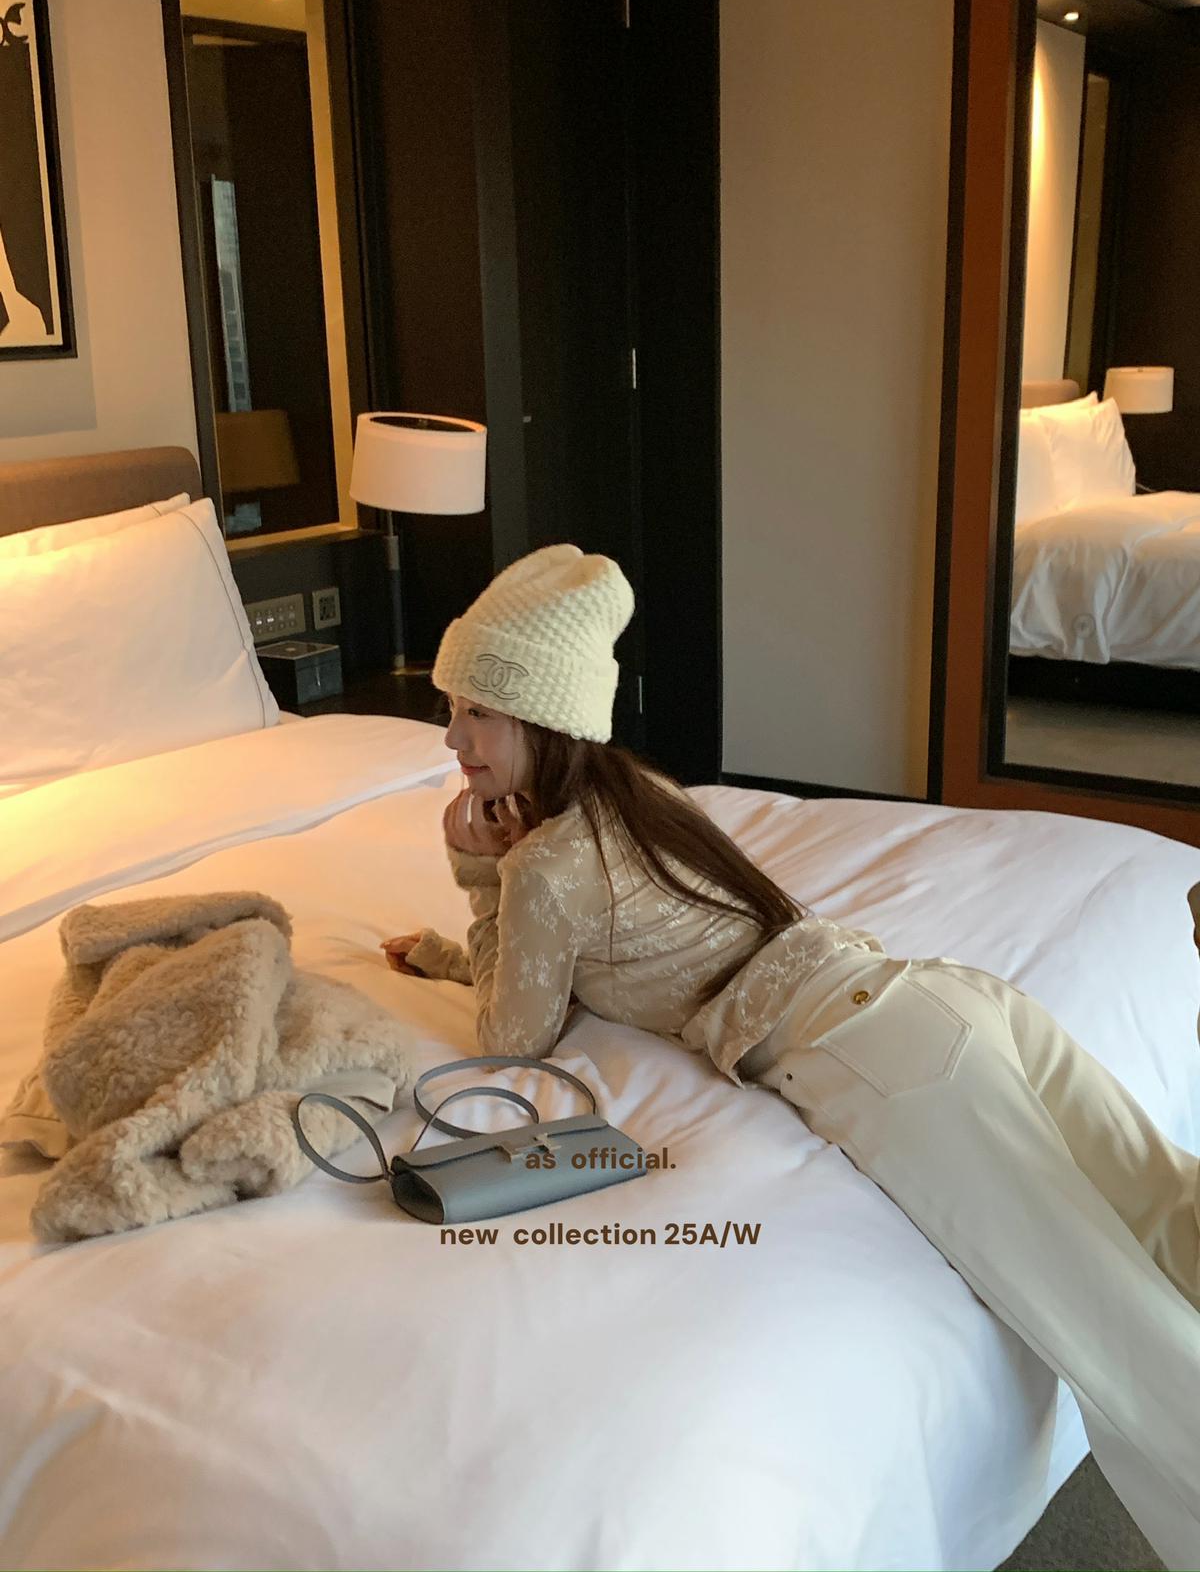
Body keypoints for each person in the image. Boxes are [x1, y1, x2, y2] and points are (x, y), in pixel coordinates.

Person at [382, 542, 1200, 1571]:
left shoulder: (544, 866)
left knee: (1118, 1339)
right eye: (452, 707)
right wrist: (456, 950)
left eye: (477, 710)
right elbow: (563, 971)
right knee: (1165, 1206)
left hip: (881, 1057)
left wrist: (478, 876)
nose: (451, 736)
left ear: (541, 716)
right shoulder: (644, 797)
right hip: (941, 998)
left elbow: (513, 1037)